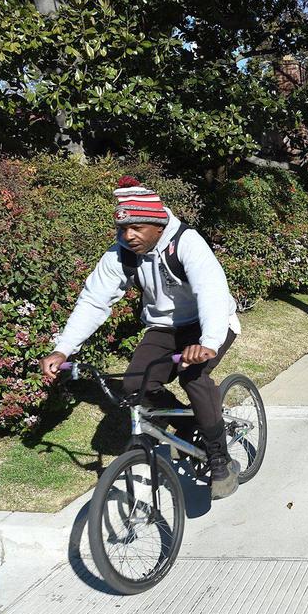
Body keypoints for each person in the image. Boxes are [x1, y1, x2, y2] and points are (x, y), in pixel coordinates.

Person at [39, 177, 242, 499]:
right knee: (135, 384)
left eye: (137, 228)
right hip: (164, 327)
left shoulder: (187, 242)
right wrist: (63, 349)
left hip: (209, 324)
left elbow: (212, 292)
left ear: (158, 225)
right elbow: (94, 301)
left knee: (193, 377)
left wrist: (208, 342)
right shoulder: (121, 254)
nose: (128, 235)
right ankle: (189, 427)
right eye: (122, 228)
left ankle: (219, 458)